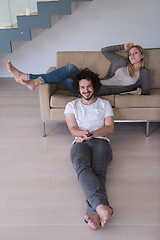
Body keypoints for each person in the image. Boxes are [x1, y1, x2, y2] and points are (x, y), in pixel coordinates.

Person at [64, 68, 114, 230]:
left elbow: (109, 128)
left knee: (98, 171)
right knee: (82, 166)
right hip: (80, 142)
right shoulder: (71, 105)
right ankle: (102, 207)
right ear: (78, 89)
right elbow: (72, 129)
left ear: (94, 87)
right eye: (83, 87)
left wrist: (92, 134)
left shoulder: (104, 104)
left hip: (100, 141)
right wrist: (83, 134)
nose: (86, 90)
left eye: (89, 86)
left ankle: (94, 212)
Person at [6, 42, 149, 95]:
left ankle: (29, 77)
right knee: (67, 71)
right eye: (130, 53)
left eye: (135, 52)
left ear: (142, 55)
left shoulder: (144, 73)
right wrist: (123, 47)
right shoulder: (121, 62)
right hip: (92, 82)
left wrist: (136, 92)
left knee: (69, 69)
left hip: (93, 90)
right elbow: (104, 50)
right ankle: (31, 80)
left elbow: (146, 91)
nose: (132, 55)